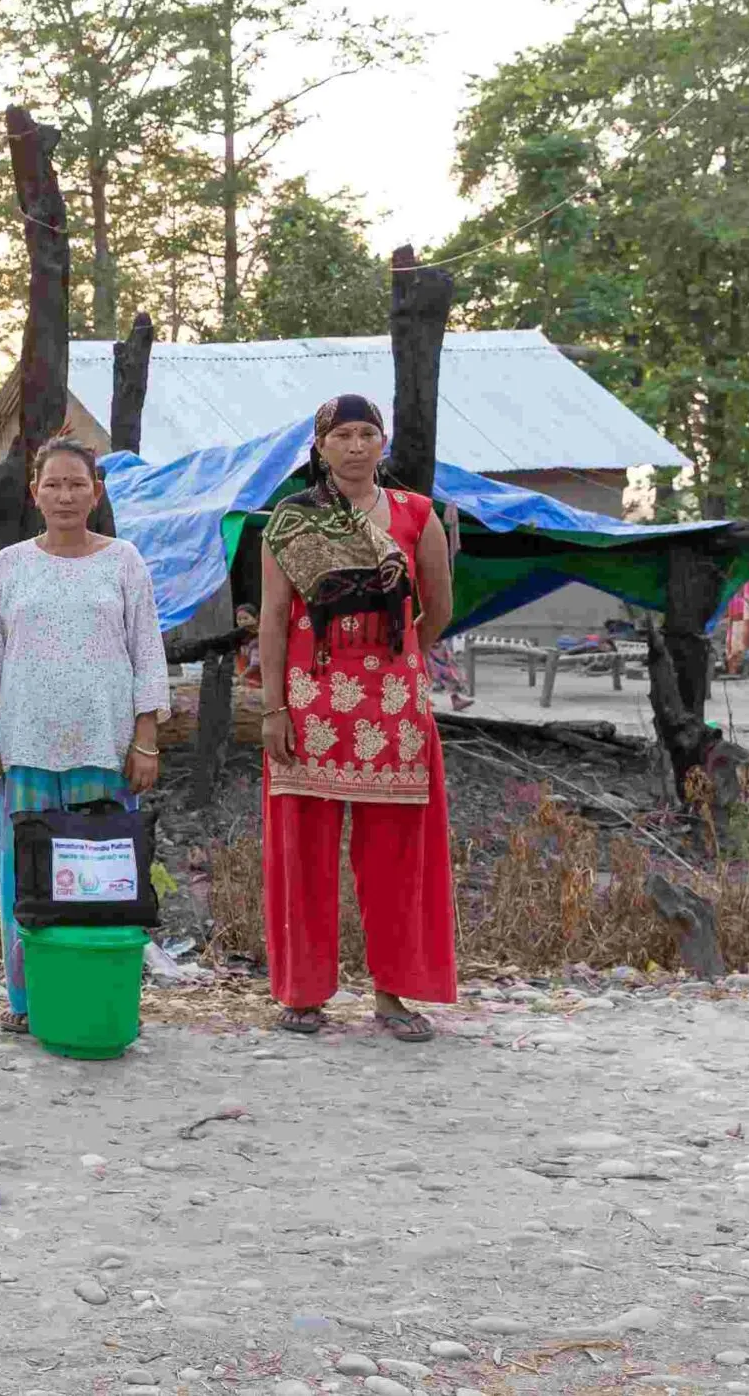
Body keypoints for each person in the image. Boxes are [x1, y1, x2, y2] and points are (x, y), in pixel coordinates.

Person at [258, 395, 458, 1042]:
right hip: (308, 704)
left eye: (366, 433)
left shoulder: (416, 515)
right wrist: (272, 708)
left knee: (397, 856)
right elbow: (271, 617)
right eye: (341, 434)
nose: (354, 445)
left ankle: (394, 996)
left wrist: (398, 661)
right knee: (301, 852)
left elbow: (440, 607)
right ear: (319, 446)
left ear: (383, 443)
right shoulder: (291, 520)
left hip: (394, 709)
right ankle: (302, 994)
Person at [0, 440, 169, 1034]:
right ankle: (29, 1000)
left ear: (96, 492)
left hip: (103, 749)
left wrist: (146, 739)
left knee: (100, 876)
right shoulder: (9, 565)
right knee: (26, 876)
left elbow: (146, 654)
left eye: (77, 484)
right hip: (24, 747)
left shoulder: (124, 561)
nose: (65, 495)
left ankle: (93, 987)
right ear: (35, 493)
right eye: (52, 484)